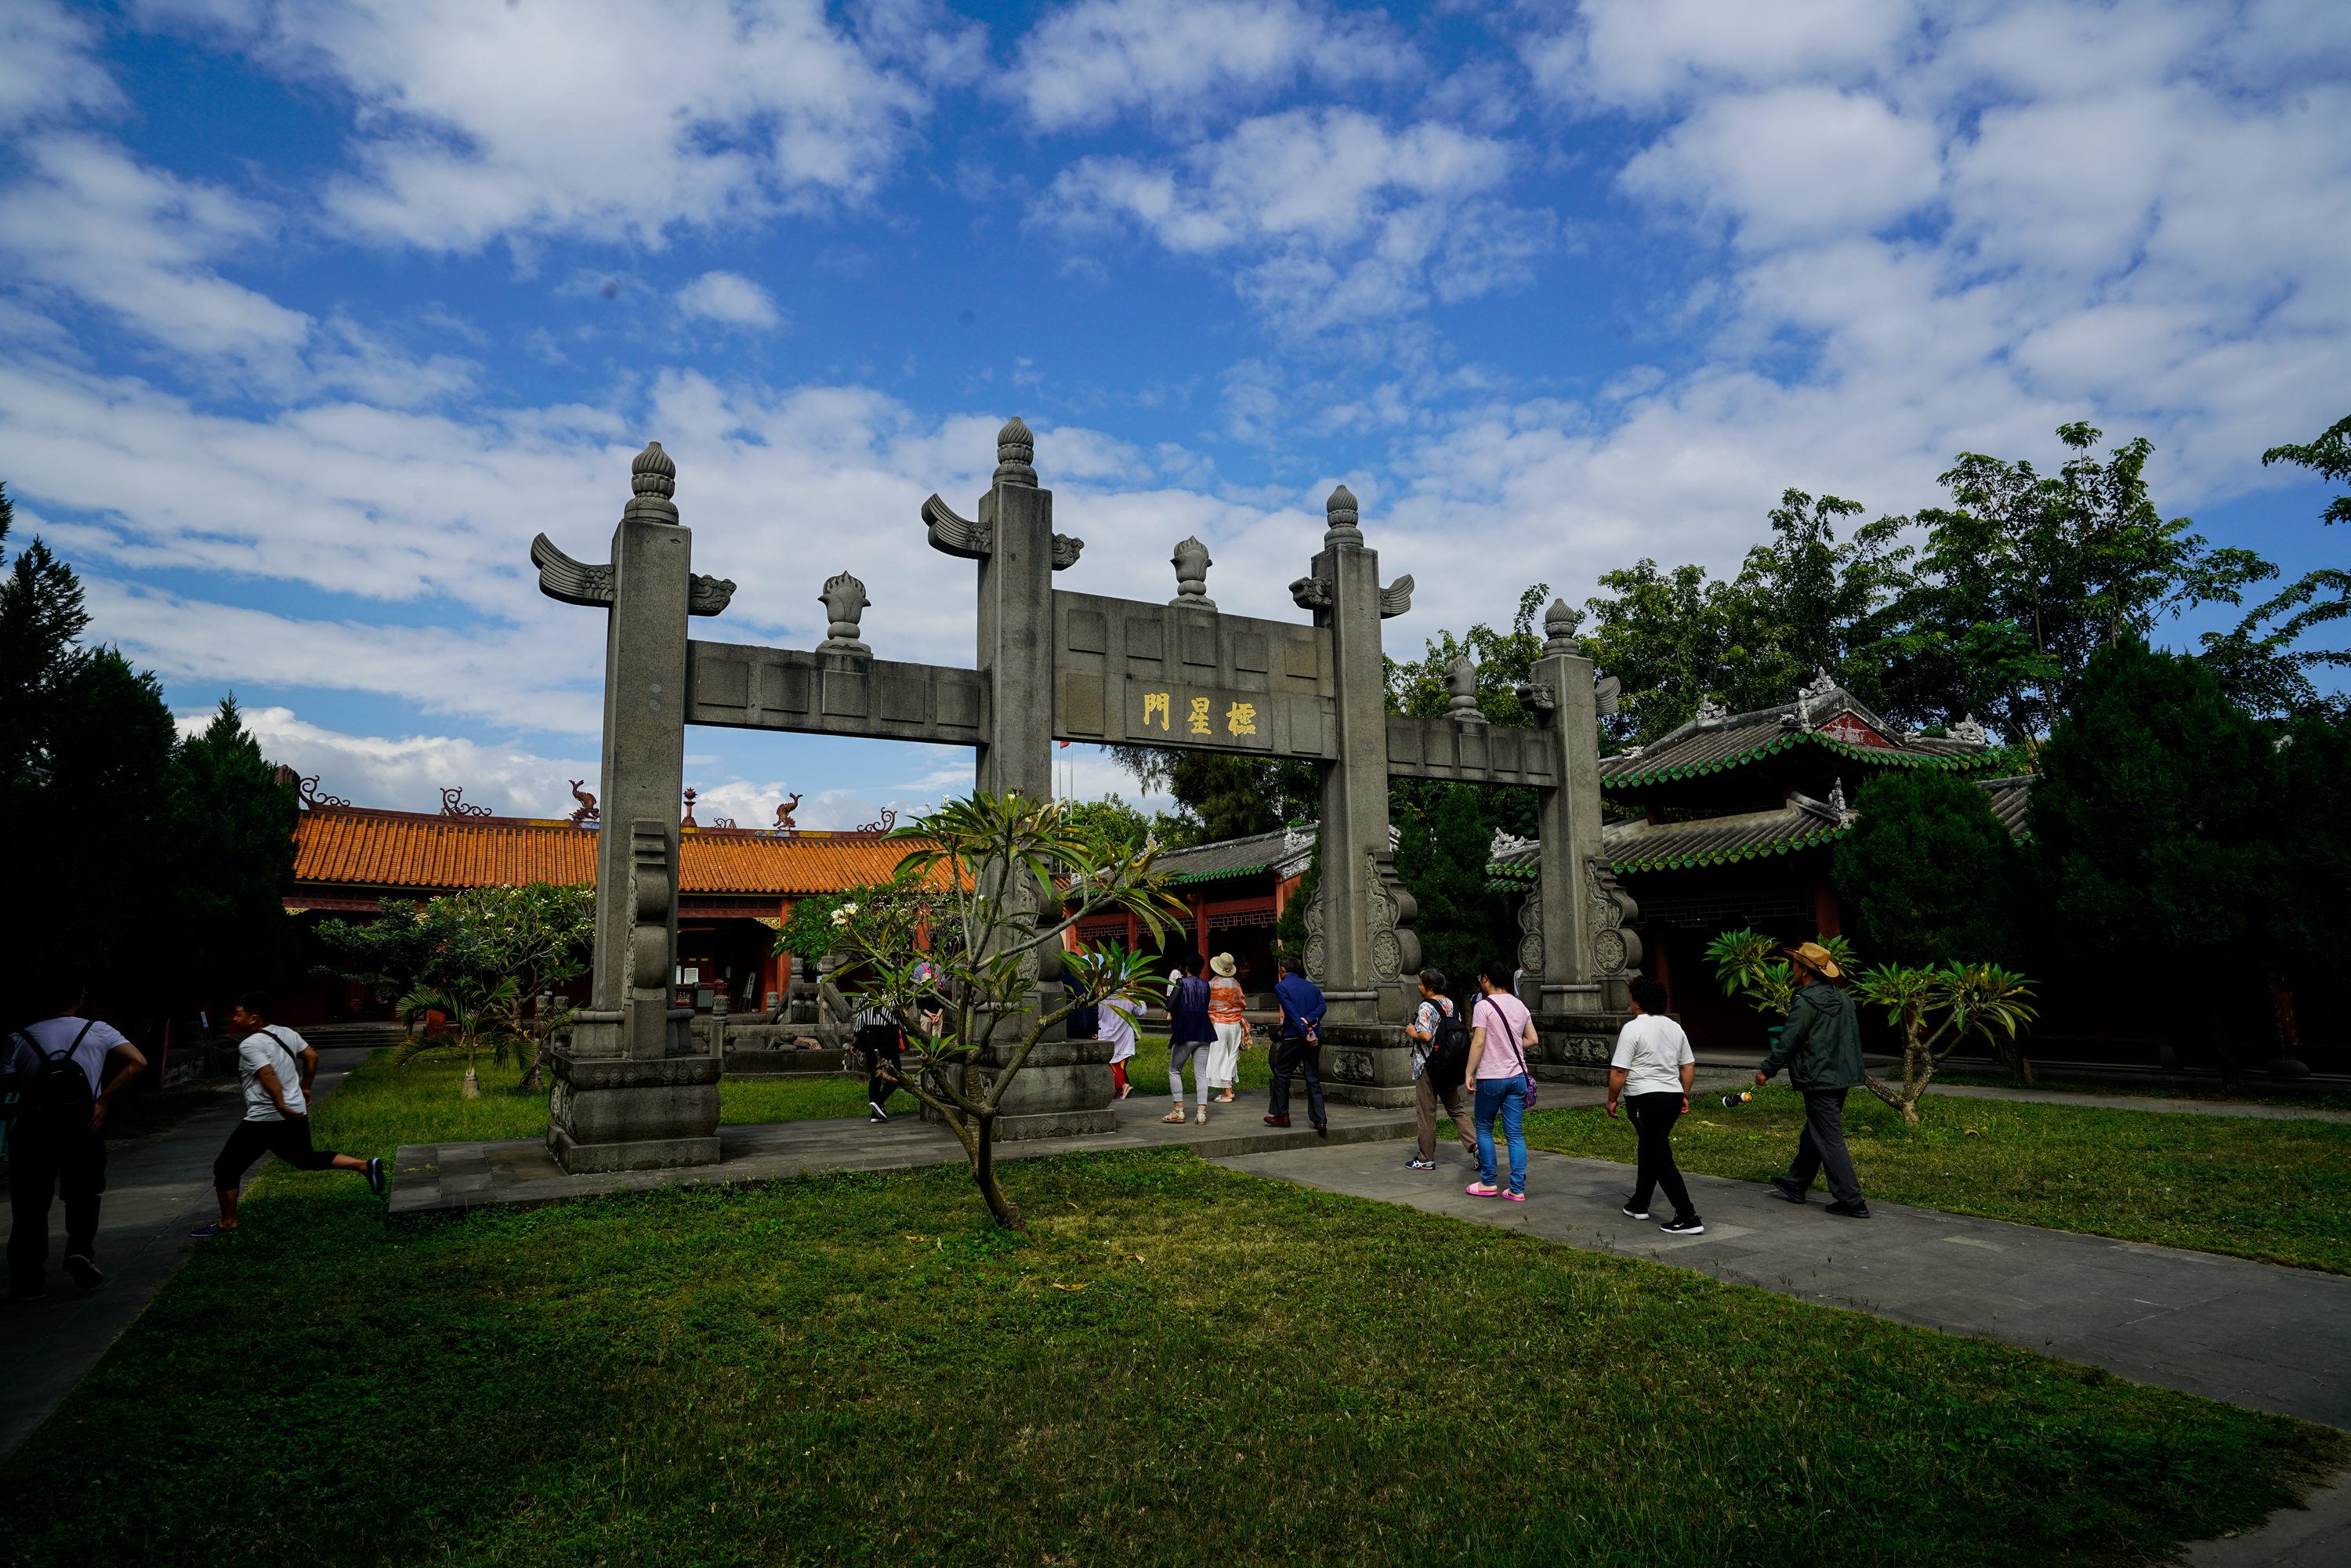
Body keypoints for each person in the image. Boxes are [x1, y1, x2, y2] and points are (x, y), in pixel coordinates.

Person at [192, 992, 382, 1238]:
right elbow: (311, 1056)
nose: (235, 1019)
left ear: (253, 1018)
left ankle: (228, 1223)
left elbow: (267, 1073)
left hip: (265, 1118)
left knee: (226, 1168)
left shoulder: (249, 1044)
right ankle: (365, 1166)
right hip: (296, 1113)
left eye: (239, 1014)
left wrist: (280, 1104)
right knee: (306, 1160)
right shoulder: (286, 1033)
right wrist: (306, 1086)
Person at [4, 978, 147, 1299]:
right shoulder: (98, 1030)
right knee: (84, 1193)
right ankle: (79, 1251)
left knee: (29, 1206)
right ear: (80, 1000)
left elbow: (5, 1088)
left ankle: (27, 1283)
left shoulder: (18, 1038)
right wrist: (103, 1101)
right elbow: (138, 1062)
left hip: (34, 1130)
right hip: (85, 1125)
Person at [1755, 941, 1870, 1219]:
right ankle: (1796, 1183)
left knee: (1829, 1137)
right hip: (1841, 1077)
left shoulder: (1805, 1001)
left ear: (1804, 971)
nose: (1791, 968)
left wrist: (1767, 1069)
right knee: (1816, 1131)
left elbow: (1789, 1040)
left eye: (1794, 964)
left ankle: (1852, 1200)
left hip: (1818, 1077)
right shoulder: (1843, 998)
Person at [1607, 975, 1702, 1234]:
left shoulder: (1633, 1028)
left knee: (1658, 1153)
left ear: (1637, 1002)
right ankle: (1640, 1202)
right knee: (1650, 1147)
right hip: (1671, 1096)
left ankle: (1687, 1215)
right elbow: (1688, 1064)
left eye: (1631, 998)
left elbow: (1619, 1071)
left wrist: (1612, 1099)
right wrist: (1684, 1094)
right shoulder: (1674, 1028)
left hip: (1644, 1098)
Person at [1465, 958, 1538, 1200]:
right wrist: (1511, 1046)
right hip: (1517, 1077)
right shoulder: (1520, 1005)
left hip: (1491, 1078)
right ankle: (1517, 1189)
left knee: (1484, 1129)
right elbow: (1532, 1039)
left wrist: (1469, 1072)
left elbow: (1478, 1041)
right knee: (1514, 1134)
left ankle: (1488, 1183)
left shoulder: (1483, 1006)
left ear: (1485, 978)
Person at [1403, 969, 1474, 1171]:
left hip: (1428, 1066)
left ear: (1430, 988)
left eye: (1421, 984)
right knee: (1456, 1109)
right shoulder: (1452, 1004)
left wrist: (1412, 1032)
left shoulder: (1426, 1006)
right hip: (1448, 1065)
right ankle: (1476, 1147)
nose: (1418, 987)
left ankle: (1425, 1158)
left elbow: (1425, 1037)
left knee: (1427, 1113)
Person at [1266, 957, 1328, 1134]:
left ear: (1283, 970)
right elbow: (1322, 1008)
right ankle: (1320, 1119)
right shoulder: (1311, 987)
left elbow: (1291, 1011)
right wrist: (1308, 1023)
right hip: (1315, 1033)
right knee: (1312, 1077)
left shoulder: (1281, 987)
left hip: (1296, 1036)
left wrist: (1303, 1030)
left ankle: (1281, 1114)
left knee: (1282, 1071)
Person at [1163, 954, 1215, 1125]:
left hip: (1186, 1030)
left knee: (1174, 1070)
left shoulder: (1181, 983)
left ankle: (1178, 1111)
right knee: (1200, 1074)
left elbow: (1170, 1005)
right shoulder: (1206, 985)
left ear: (1186, 969)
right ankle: (1201, 1114)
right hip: (1204, 1031)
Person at [1204, 953, 1249, 1104]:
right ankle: (1228, 1088)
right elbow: (1242, 1004)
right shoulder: (1236, 984)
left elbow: (1207, 1005)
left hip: (1219, 1024)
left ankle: (1227, 1091)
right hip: (1235, 1024)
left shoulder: (1211, 984)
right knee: (1231, 1055)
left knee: (1219, 1055)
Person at [854, 998, 906, 1123]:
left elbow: (860, 1021)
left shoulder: (865, 996)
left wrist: (855, 1043)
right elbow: (901, 1020)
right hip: (888, 1037)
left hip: (869, 1038)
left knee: (874, 1076)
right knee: (897, 1073)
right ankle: (879, 1102)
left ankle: (875, 1113)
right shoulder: (894, 997)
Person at [1098, 986, 1139, 1100]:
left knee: (1112, 1066)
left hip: (1106, 1037)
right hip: (1124, 1039)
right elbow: (1142, 1010)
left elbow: (1098, 1015)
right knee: (1120, 1067)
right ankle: (1119, 1090)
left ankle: (1124, 1086)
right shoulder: (1129, 998)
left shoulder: (1103, 999)